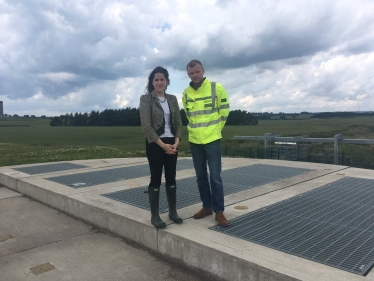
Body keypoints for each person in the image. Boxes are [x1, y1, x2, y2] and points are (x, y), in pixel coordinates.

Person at [182, 60, 230, 227]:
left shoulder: (216, 88)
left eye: (197, 72)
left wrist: (216, 130)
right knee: (201, 177)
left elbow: (224, 111)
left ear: (202, 70)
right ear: (188, 74)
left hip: (212, 140)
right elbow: (189, 115)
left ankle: (219, 212)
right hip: (195, 141)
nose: (194, 75)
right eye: (191, 73)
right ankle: (206, 207)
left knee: (215, 177)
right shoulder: (186, 93)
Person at [139, 66, 183, 229]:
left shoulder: (172, 99)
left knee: (171, 177)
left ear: (167, 81)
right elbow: (146, 126)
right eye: (156, 79)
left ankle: (173, 212)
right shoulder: (146, 99)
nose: (159, 82)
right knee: (156, 177)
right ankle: (155, 215)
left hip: (172, 143)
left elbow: (178, 123)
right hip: (155, 143)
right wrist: (163, 146)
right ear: (152, 82)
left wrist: (176, 143)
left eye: (162, 79)